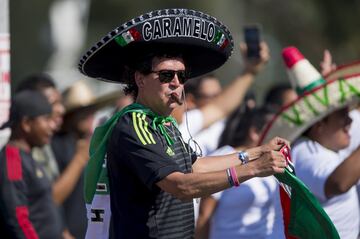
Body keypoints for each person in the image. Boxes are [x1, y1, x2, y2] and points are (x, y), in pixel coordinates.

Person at [79, 8, 288, 239]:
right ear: (140, 79)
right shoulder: (135, 123)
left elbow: (195, 166)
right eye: (167, 75)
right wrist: (254, 169)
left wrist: (255, 153)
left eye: (182, 76)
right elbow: (181, 187)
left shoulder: (164, 123)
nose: (176, 83)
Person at [260, 46, 360, 239]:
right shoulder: (305, 152)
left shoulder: (331, 147)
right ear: (319, 125)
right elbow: (338, 184)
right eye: (343, 114)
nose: (350, 121)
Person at [195, 105, 285, 239]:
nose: (280, 138)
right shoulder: (224, 157)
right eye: (275, 132)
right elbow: (204, 216)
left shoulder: (272, 162)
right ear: (254, 132)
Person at [0, 90, 62, 239]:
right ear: (26, 124)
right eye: (46, 119)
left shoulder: (27, 156)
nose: (52, 126)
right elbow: (18, 219)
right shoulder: (12, 160)